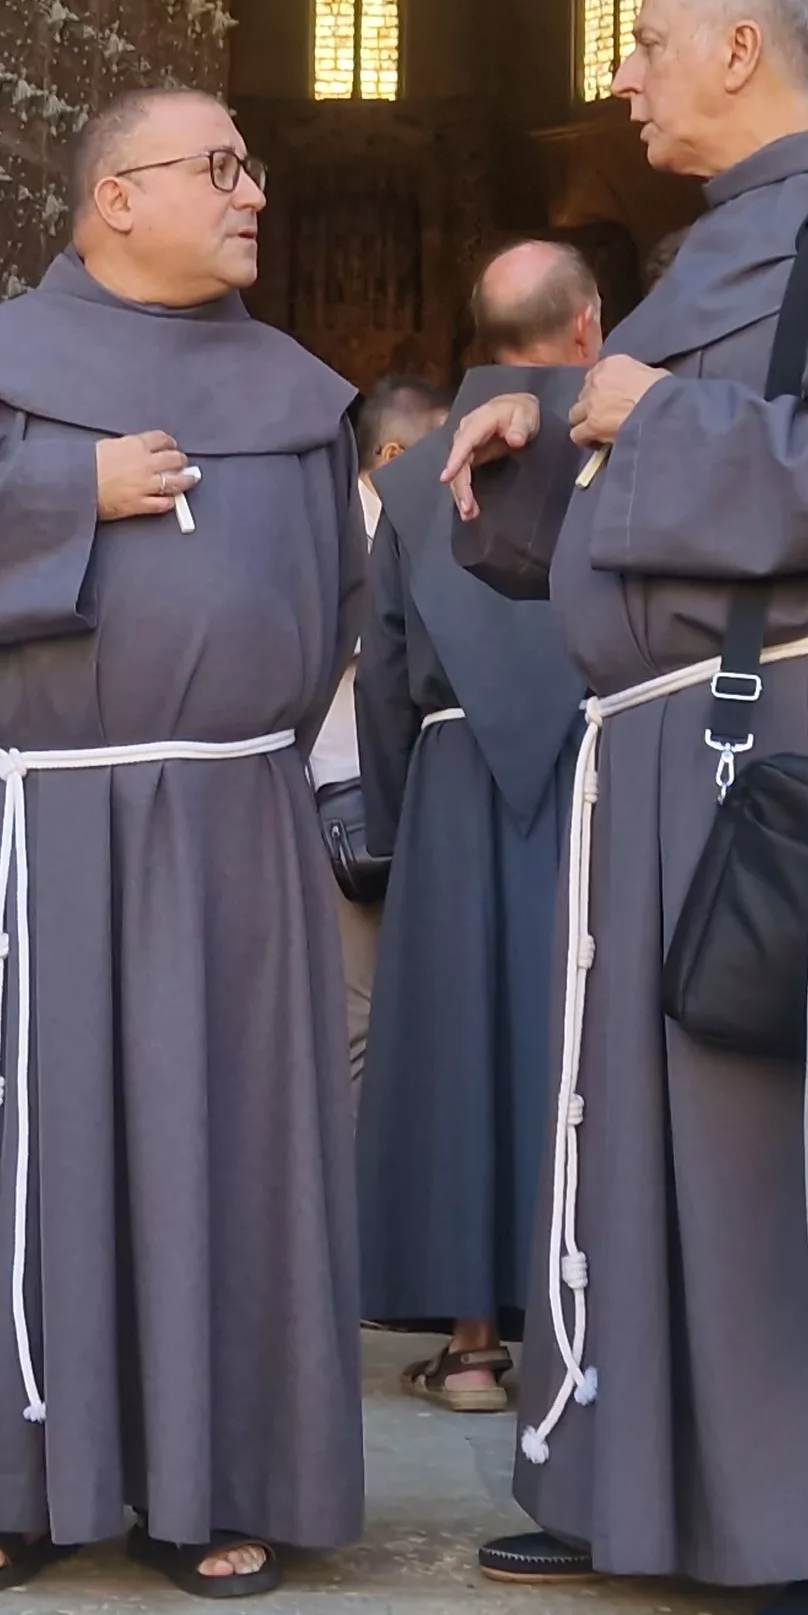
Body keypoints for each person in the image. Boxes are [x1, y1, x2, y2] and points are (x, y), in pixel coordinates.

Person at [438, 0, 808, 1615]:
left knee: (794, 1140)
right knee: (649, 1136)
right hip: (662, 746)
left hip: (783, 733)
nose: (623, 74)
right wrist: (540, 443)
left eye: (647, 41)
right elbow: (657, 453)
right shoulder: (704, 256)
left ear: (740, 52)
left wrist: (640, 420)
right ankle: (640, 1489)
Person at [0, 88, 365, 1599]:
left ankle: (215, 1478)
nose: (250, 191)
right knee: (36, 1135)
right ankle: (26, 1476)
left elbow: (331, 606)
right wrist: (69, 487)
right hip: (45, 816)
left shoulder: (295, 394)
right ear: (115, 197)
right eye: (217, 168)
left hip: (232, 817)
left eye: (248, 166)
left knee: (231, 1141)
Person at [356, 242, 600, 1412]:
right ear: (587, 330)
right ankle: (590, 1327)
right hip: (610, 770)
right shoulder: (627, 445)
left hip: (454, 778)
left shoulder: (409, 484)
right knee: (587, 1045)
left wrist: (403, 834)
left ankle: (468, 1349)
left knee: (463, 1050)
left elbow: (384, 679)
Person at [312, 372, 450, 1099]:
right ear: (394, 458)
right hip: (344, 813)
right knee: (358, 1025)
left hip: (415, 803)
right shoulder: (332, 538)